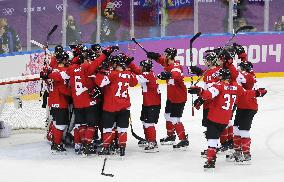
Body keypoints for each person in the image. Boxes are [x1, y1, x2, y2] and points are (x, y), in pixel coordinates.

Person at [188, 68, 267, 171]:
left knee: (212, 140)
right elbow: (246, 94)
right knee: (214, 138)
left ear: (221, 77)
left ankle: (211, 161)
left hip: (214, 118)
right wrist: (257, 93)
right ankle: (225, 149)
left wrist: (200, 91)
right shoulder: (236, 87)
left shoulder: (218, 86)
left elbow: (209, 94)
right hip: (225, 120)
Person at [95, 55, 138, 157]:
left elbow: (100, 83)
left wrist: (101, 71)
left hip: (111, 106)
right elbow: (134, 82)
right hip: (124, 106)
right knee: (122, 128)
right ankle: (122, 148)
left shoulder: (112, 74)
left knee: (107, 128)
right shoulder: (128, 73)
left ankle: (106, 148)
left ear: (115, 64)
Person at [147, 48, 189, 150]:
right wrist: (155, 56)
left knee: (175, 119)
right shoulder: (167, 63)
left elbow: (177, 73)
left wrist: (169, 74)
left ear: (170, 55)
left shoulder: (175, 66)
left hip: (179, 97)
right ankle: (171, 136)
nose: (164, 55)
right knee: (167, 115)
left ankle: (183, 140)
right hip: (171, 96)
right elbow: (161, 60)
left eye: (166, 54)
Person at [40, 51, 71, 153]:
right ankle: (56, 144)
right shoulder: (63, 71)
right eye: (67, 59)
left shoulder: (53, 70)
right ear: (64, 60)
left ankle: (52, 138)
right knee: (61, 124)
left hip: (52, 100)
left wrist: (46, 75)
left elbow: (48, 79)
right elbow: (63, 88)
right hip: (60, 100)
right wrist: (73, 94)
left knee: (55, 121)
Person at [129, 59, 161, 152]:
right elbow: (137, 71)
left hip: (152, 103)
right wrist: (129, 64)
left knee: (149, 123)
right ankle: (149, 139)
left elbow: (133, 80)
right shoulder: (149, 73)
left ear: (145, 67)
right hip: (149, 102)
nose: (140, 68)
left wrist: (126, 72)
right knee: (144, 121)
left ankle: (152, 142)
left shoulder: (147, 75)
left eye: (141, 66)